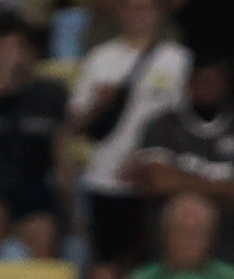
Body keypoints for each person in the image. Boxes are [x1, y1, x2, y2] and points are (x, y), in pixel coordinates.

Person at [67, 0, 189, 264]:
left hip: (155, 178)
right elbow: (75, 123)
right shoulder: (99, 58)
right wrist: (101, 105)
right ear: (120, 12)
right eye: (132, 8)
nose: (138, 16)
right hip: (105, 176)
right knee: (108, 264)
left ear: (159, 14)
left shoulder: (178, 59)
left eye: (146, 8)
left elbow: (183, 122)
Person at [129, 48, 234, 264]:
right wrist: (226, 186)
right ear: (189, 84)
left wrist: (180, 180)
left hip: (227, 256)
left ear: (226, 85)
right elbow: (158, 181)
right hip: (162, 257)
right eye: (202, 81)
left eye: (215, 81)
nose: (209, 87)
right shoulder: (162, 125)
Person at [0, 16, 69, 249]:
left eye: (14, 48)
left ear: (30, 53)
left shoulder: (51, 94)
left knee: (43, 230)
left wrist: (70, 208)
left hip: (33, 192)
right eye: (1, 50)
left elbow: (62, 153)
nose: (8, 58)